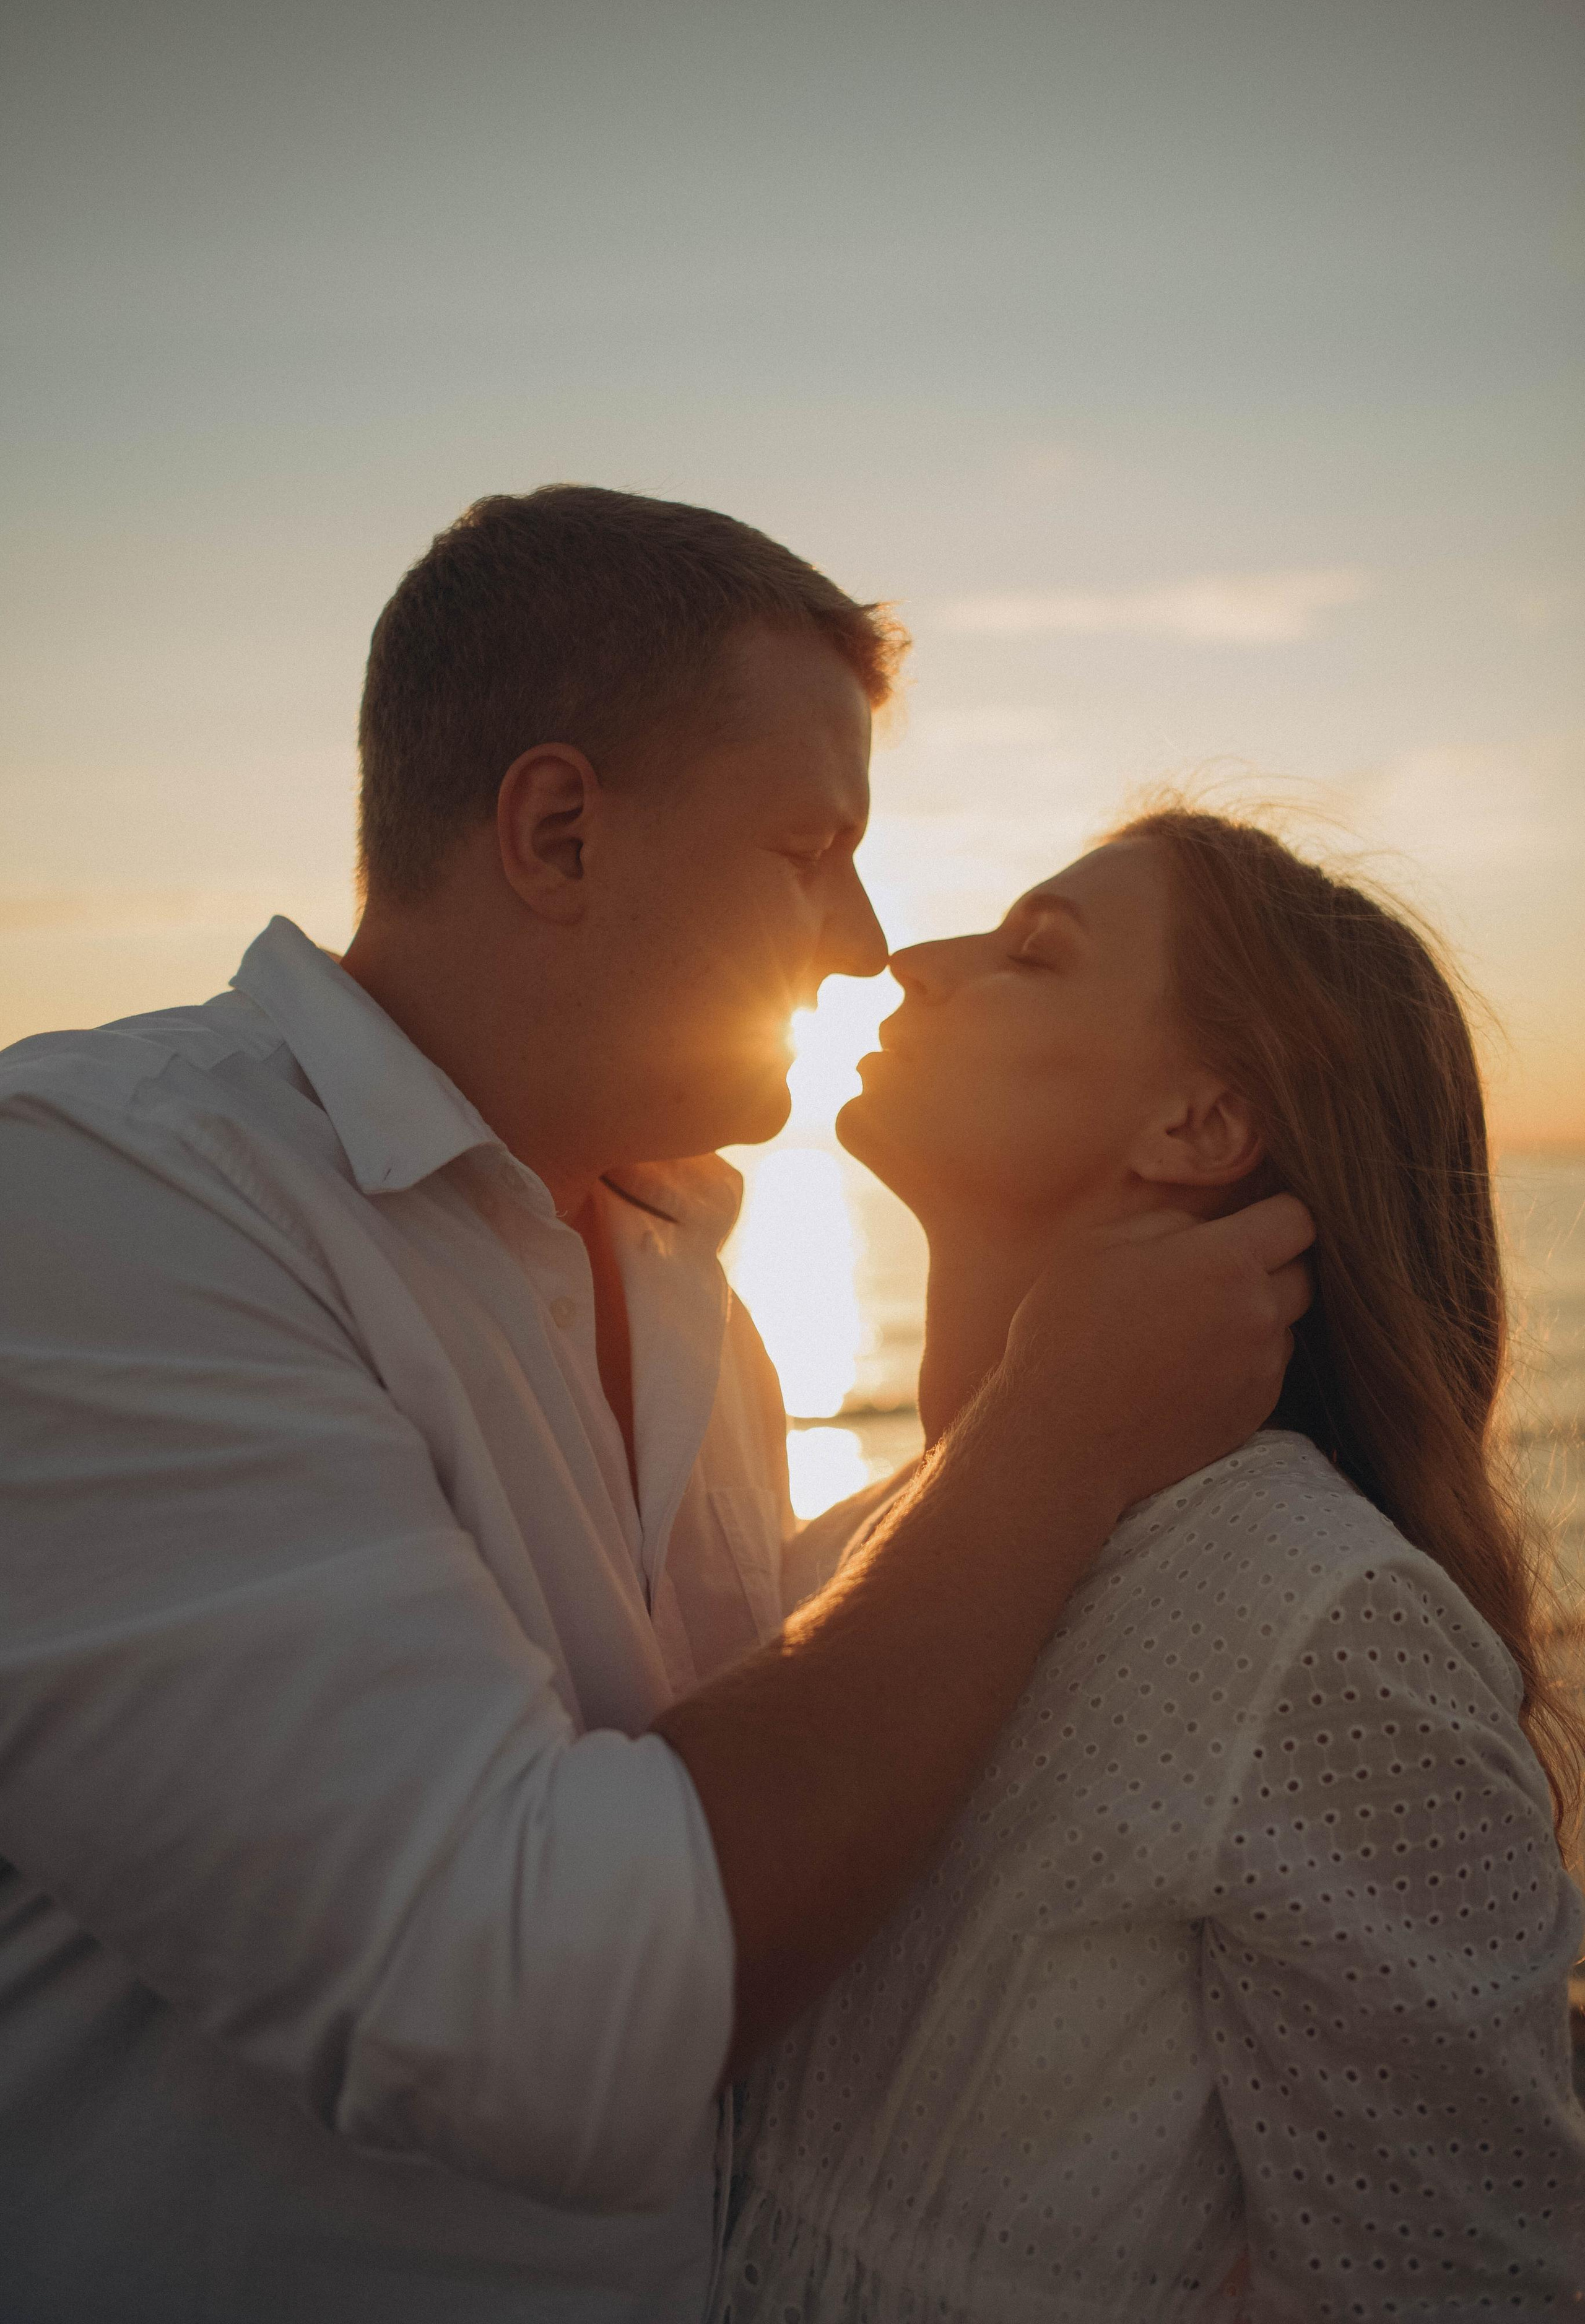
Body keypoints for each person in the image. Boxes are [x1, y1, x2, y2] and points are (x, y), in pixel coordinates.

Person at [0, 494, 1313, 2324]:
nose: (864, 940)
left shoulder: (695, 1284)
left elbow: (752, 1785)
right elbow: (525, 2005)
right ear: (557, 831)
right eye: (809, 850)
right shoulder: (100, 1198)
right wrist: (1051, 1442)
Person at [714, 809, 1585, 2322]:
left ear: (1197, 1125)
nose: (912, 961)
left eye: (1032, 953)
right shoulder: (855, 1551)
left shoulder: (1315, 1620)